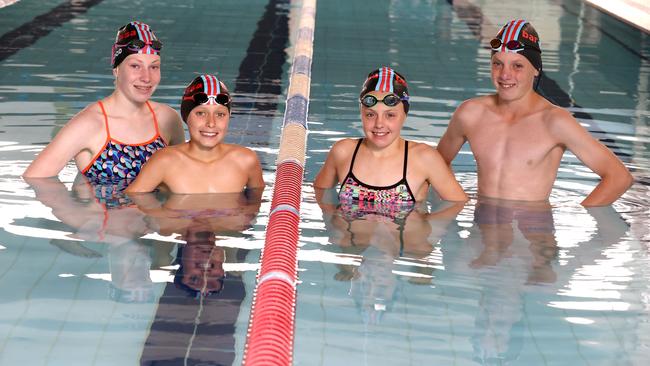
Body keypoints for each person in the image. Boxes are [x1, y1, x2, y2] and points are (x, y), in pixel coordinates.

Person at [436, 19, 633, 206]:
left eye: (517, 65)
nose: (505, 75)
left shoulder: (554, 121)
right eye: (498, 63)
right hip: (480, 230)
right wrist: (457, 203)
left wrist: (580, 213)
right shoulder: (470, 113)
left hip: (532, 234)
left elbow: (619, 177)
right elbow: (437, 163)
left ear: (536, 69)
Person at [22, 21, 185, 183]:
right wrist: (70, 209)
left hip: (155, 209)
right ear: (117, 69)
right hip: (102, 208)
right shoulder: (90, 123)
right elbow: (34, 179)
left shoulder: (167, 118)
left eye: (154, 67)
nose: (146, 77)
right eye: (135, 66)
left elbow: (181, 176)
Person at [314, 66, 467, 203]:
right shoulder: (343, 151)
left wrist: (426, 227)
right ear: (361, 114)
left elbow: (457, 205)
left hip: (403, 235)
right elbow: (320, 194)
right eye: (370, 115)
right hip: (351, 235)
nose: (379, 124)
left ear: (404, 115)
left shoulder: (424, 158)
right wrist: (336, 226)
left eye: (390, 115)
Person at [126, 74, 265, 193]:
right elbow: (130, 202)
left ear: (229, 117)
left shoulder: (246, 161)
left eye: (220, 114)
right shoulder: (165, 161)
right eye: (201, 113)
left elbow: (256, 205)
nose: (211, 123)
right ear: (186, 116)